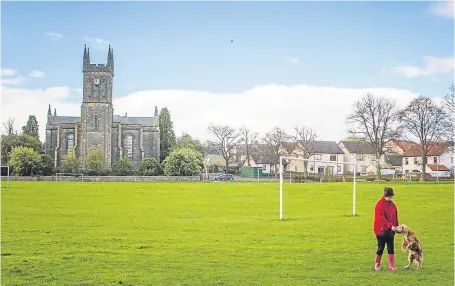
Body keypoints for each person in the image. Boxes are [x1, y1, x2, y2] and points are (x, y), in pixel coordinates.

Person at [373, 187, 399, 271]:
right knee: (381, 247)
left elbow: (395, 216)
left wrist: (396, 226)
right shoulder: (379, 205)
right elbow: (381, 218)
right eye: (389, 196)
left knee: (391, 247)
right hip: (381, 230)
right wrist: (390, 225)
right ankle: (377, 264)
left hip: (390, 230)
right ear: (385, 195)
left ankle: (391, 265)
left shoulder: (392, 205)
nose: (390, 198)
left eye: (391, 197)